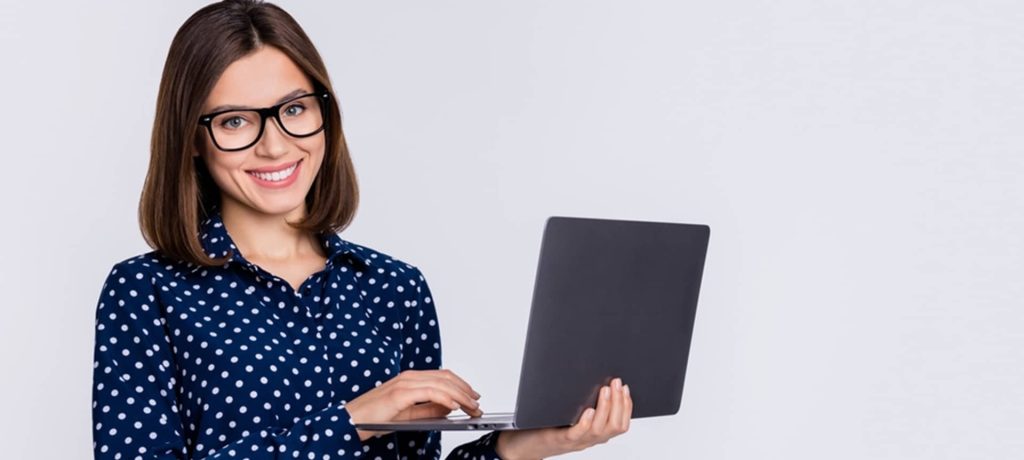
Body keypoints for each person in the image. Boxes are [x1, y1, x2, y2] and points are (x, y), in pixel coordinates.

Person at [90, 1, 632, 458]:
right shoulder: (146, 292)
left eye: (294, 109)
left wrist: (526, 443)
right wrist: (350, 422)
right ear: (192, 138)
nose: (275, 145)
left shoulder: (395, 287)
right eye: (235, 121)